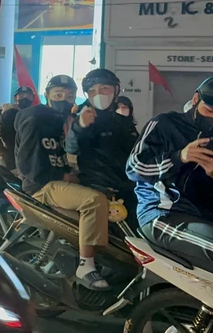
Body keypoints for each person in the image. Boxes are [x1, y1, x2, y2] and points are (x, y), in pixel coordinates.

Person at [14, 74, 110, 290]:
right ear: (46, 95)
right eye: (58, 94)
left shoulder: (62, 122)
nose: (64, 99)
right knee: (94, 200)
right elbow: (28, 163)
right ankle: (86, 265)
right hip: (41, 185)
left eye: (69, 96)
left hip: (54, 181)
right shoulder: (37, 118)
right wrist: (62, 176)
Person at [126, 77, 213, 274]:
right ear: (195, 99)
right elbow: (134, 168)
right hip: (163, 214)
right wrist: (179, 157)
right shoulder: (164, 124)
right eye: (209, 110)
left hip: (203, 217)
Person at [66, 69, 139, 228]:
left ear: (116, 90)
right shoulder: (84, 120)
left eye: (104, 88)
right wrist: (79, 126)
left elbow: (137, 152)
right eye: (92, 91)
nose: (98, 94)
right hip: (98, 189)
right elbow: (70, 147)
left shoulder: (123, 120)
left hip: (128, 190)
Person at [0, 86, 35, 170]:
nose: (25, 99)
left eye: (28, 96)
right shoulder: (10, 113)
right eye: (21, 96)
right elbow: (5, 136)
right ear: (15, 98)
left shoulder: (28, 113)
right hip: (11, 158)